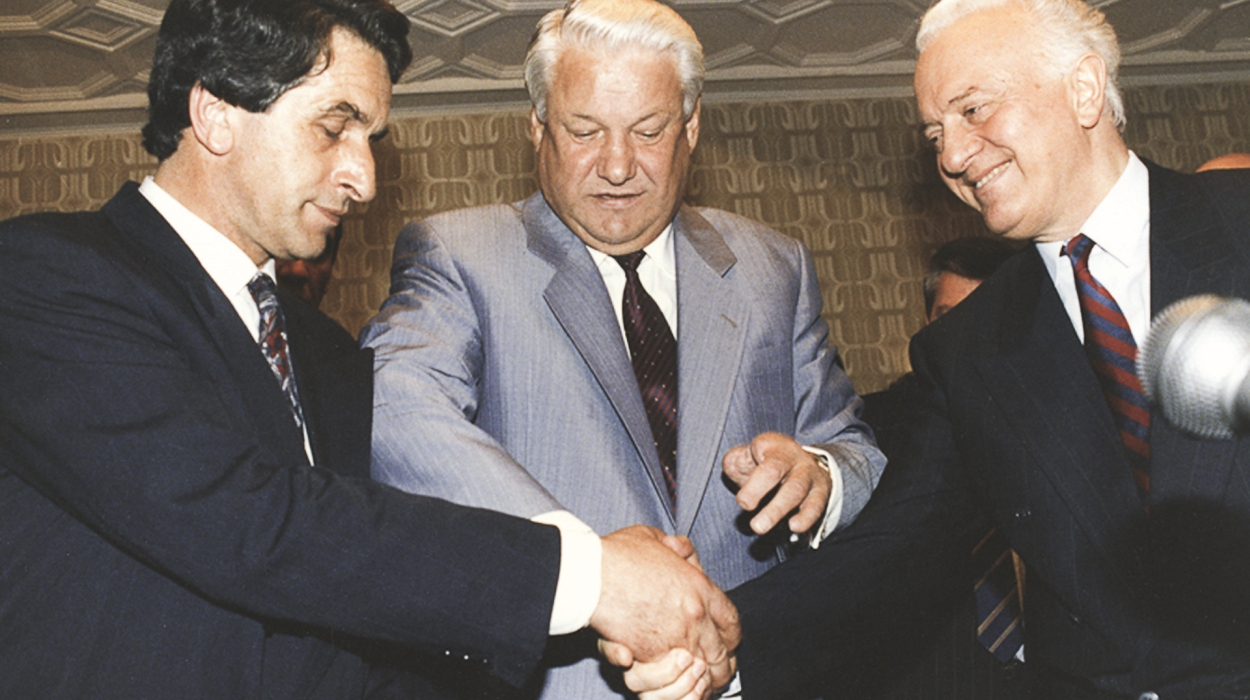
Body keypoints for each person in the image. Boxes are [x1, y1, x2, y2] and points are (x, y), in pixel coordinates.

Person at [0, 0, 740, 697]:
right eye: (335, 127)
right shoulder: (48, 275)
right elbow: (255, 522)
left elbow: (355, 610)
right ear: (216, 113)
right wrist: (591, 579)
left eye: (370, 138)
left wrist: (639, 636)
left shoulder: (323, 351)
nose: (364, 177)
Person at [630, 0, 1250, 698]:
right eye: (935, 134)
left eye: (974, 111)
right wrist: (720, 642)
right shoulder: (968, 350)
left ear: (1083, 89)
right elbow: (892, 556)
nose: (952, 155)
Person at [360, 0, 885, 697]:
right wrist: (589, 568)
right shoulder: (460, 256)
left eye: (648, 131)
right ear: (537, 126)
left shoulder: (772, 266)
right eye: (584, 130)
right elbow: (391, 408)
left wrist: (820, 475)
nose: (616, 165)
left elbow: (857, 450)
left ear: (691, 127)